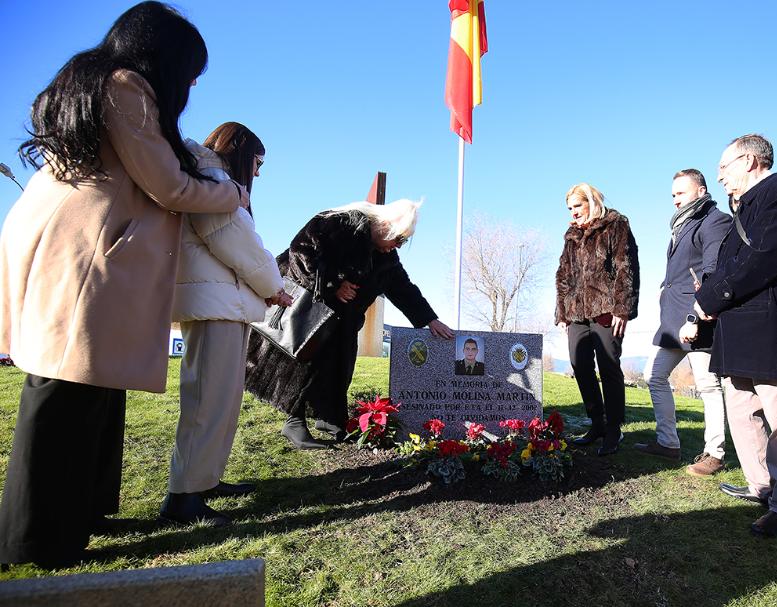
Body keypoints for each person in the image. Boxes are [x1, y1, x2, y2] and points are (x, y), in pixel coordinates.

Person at [0, 2, 247, 567]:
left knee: (91, 387)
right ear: (164, 56)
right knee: (65, 389)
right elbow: (170, 186)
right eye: (190, 70)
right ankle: (36, 538)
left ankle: (84, 510)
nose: (189, 84)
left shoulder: (96, 83)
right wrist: (233, 194)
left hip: (74, 240)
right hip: (88, 253)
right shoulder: (125, 87)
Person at [161, 123, 293, 527]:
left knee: (221, 401)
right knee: (206, 402)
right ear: (239, 149)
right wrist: (274, 286)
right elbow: (236, 242)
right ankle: (182, 500)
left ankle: (203, 481)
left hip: (224, 304)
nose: (256, 172)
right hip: (213, 306)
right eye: (257, 161)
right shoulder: (212, 178)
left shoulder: (210, 177)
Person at [245, 200, 454, 449]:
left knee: (337, 368)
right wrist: (333, 284)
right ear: (385, 225)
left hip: (341, 320)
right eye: (398, 239)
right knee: (301, 363)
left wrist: (429, 318)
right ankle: (294, 420)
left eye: (403, 242)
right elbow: (300, 252)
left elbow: (403, 288)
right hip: (304, 310)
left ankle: (330, 420)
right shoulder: (339, 224)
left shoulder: (387, 256)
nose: (397, 246)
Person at [694, 134, 777, 538]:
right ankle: (761, 487)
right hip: (736, 325)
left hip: (768, 323)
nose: (719, 176)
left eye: (724, 167)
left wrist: (710, 297)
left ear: (749, 161)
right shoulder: (741, 206)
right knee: (743, 412)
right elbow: (730, 262)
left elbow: (762, 258)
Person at [636, 169, 730, 474]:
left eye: (681, 193)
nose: (675, 200)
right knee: (654, 376)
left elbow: (712, 271)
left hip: (696, 318)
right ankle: (668, 444)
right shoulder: (681, 225)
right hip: (671, 320)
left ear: (701, 191)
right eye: (673, 194)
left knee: (708, 386)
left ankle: (714, 453)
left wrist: (695, 317)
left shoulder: (714, 220)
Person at [555, 183, 639, 456]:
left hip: (607, 310)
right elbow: (562, 275)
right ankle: (598, 424)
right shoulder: (571, 235)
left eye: (577, 206)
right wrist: (563, 312)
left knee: (609, 368)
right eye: (570, 208)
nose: (573, 212)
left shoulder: (615, 225)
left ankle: (614, 430)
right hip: (577, 313)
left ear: (592, 202)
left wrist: (622, 309)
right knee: (579, 364)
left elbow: (626, 267)